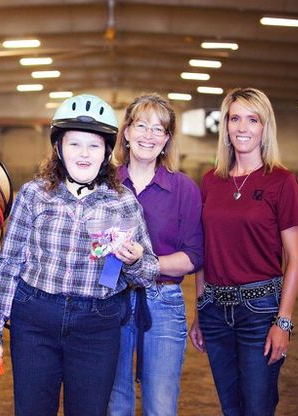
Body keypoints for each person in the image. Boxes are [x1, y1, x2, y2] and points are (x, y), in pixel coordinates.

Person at [0, 94, 159, 416]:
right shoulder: (33, 195)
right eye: (74, 144)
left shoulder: (123, 203)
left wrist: (135, 259)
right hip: (36, 319)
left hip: (97, 324)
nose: (84, 154)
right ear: (58, 148)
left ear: (107, 152)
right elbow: (10, 264)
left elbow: (149, 271)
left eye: (94, 146)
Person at [189, 88, 298, 416]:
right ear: (225, 126)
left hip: (259, 310)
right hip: (214, 310)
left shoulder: (281, 181)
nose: (243, 127)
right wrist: (200, 308)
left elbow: (295, 258)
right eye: (235, 118)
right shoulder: (211, 180)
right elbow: (203, 250)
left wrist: (283, 322)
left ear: (265, 127)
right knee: (231, 408)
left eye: (252, 119)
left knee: (257, 407)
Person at [107, 94, 203, 415]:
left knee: (160, 406)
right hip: (112, 298)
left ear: (166, 140)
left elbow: (193, 256)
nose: (149, 135)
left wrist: (143, 263)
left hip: (163, 301)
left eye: (158, 129)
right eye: (142, 126)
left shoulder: (184, 189)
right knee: (115, 403)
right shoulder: (106, 185)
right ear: (127, 132)